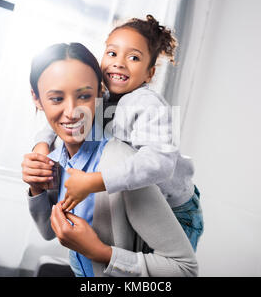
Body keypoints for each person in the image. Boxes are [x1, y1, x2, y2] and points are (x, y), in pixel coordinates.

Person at [22, 42, 198, 277]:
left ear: (99, 92)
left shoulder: (120, 165)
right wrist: (36, 189)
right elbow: (48, 230)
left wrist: (101, 252)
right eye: (56, 99)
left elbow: (185, 270)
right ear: (36, 99)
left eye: (84, 96)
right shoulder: (54, 156)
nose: (72, 111)